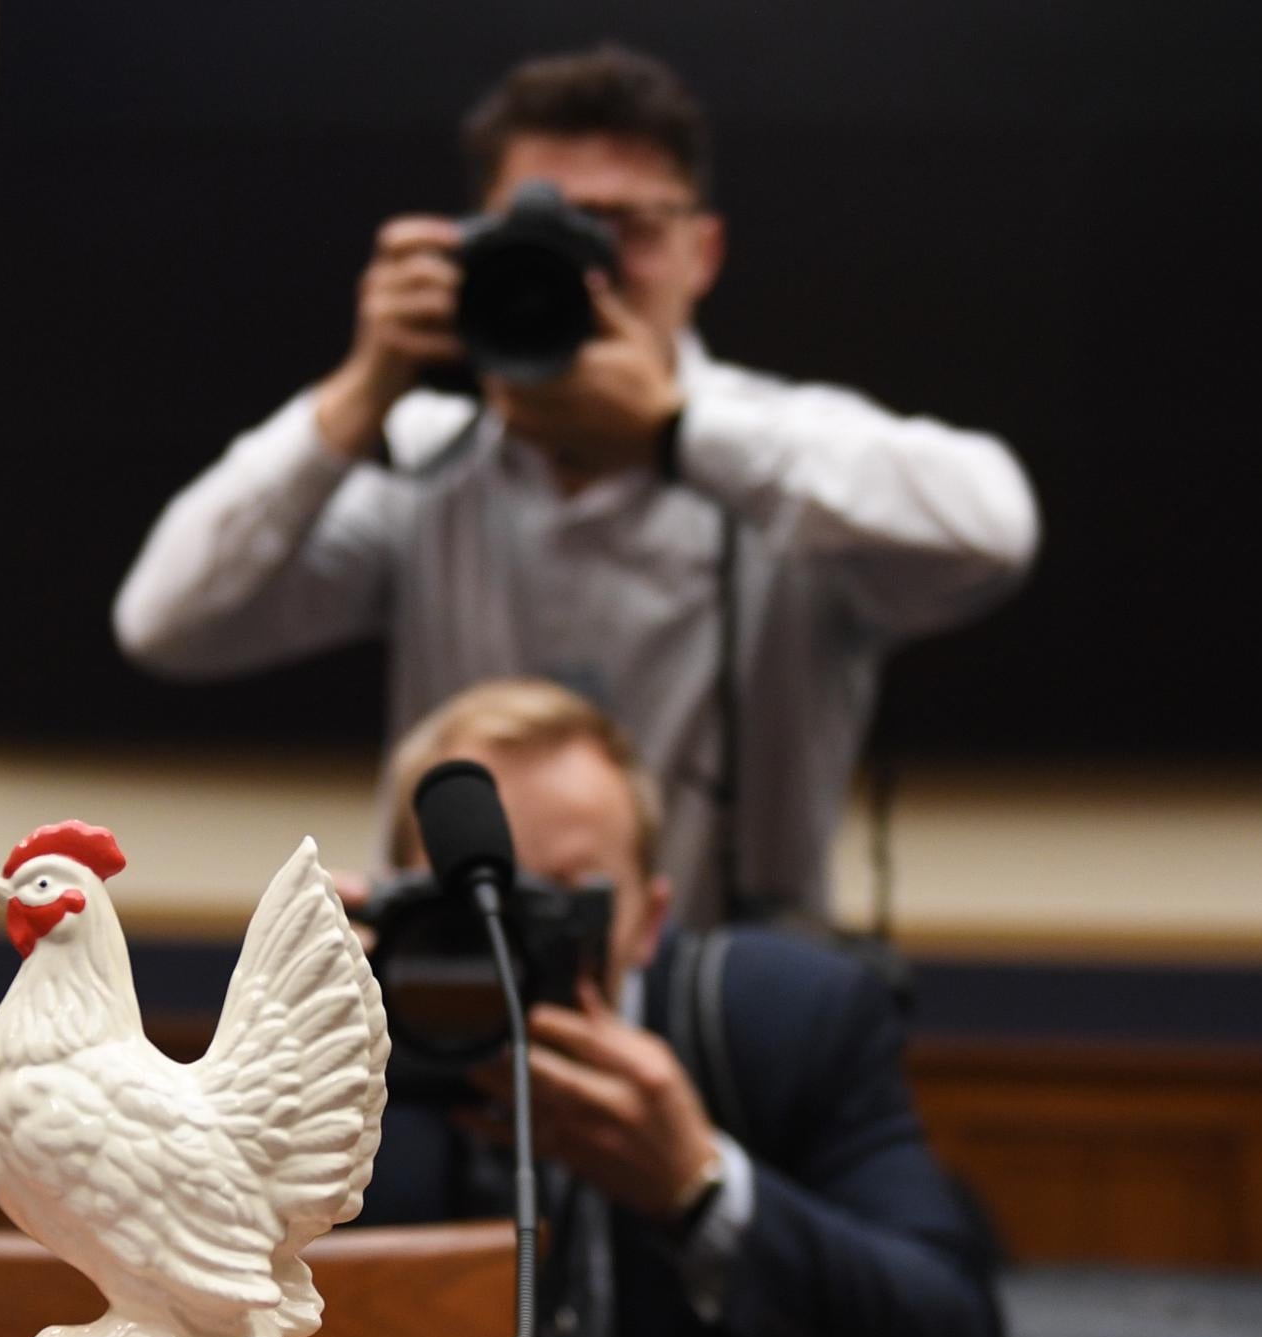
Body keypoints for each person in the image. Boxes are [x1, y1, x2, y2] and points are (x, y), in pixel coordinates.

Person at [113, 43, 1039, 925]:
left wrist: (679, 435)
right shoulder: (428, 466)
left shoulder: (786, 454)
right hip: (459, 993)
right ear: (471, 247)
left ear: (702, 252)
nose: (588, 269)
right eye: (545, 232)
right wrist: (360, 390)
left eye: (627, 229)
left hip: (719, 1011)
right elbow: (167, 621)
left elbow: (993, 525)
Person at [357, 677, 1003, 1337]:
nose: (516, 940)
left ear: (651, 920)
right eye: (476, 901)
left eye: (564, 898)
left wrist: (699, 1191)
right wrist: (298, 1017)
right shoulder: (359, 1055)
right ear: (401, 904)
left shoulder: (783, 1023)